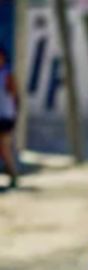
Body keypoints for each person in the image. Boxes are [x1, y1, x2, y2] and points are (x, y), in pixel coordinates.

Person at [0, 47, 19, 189]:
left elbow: (15, 96)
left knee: (5, 148)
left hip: (5, 117)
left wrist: (14, 115)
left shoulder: (7, 75)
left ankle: (13, 175)